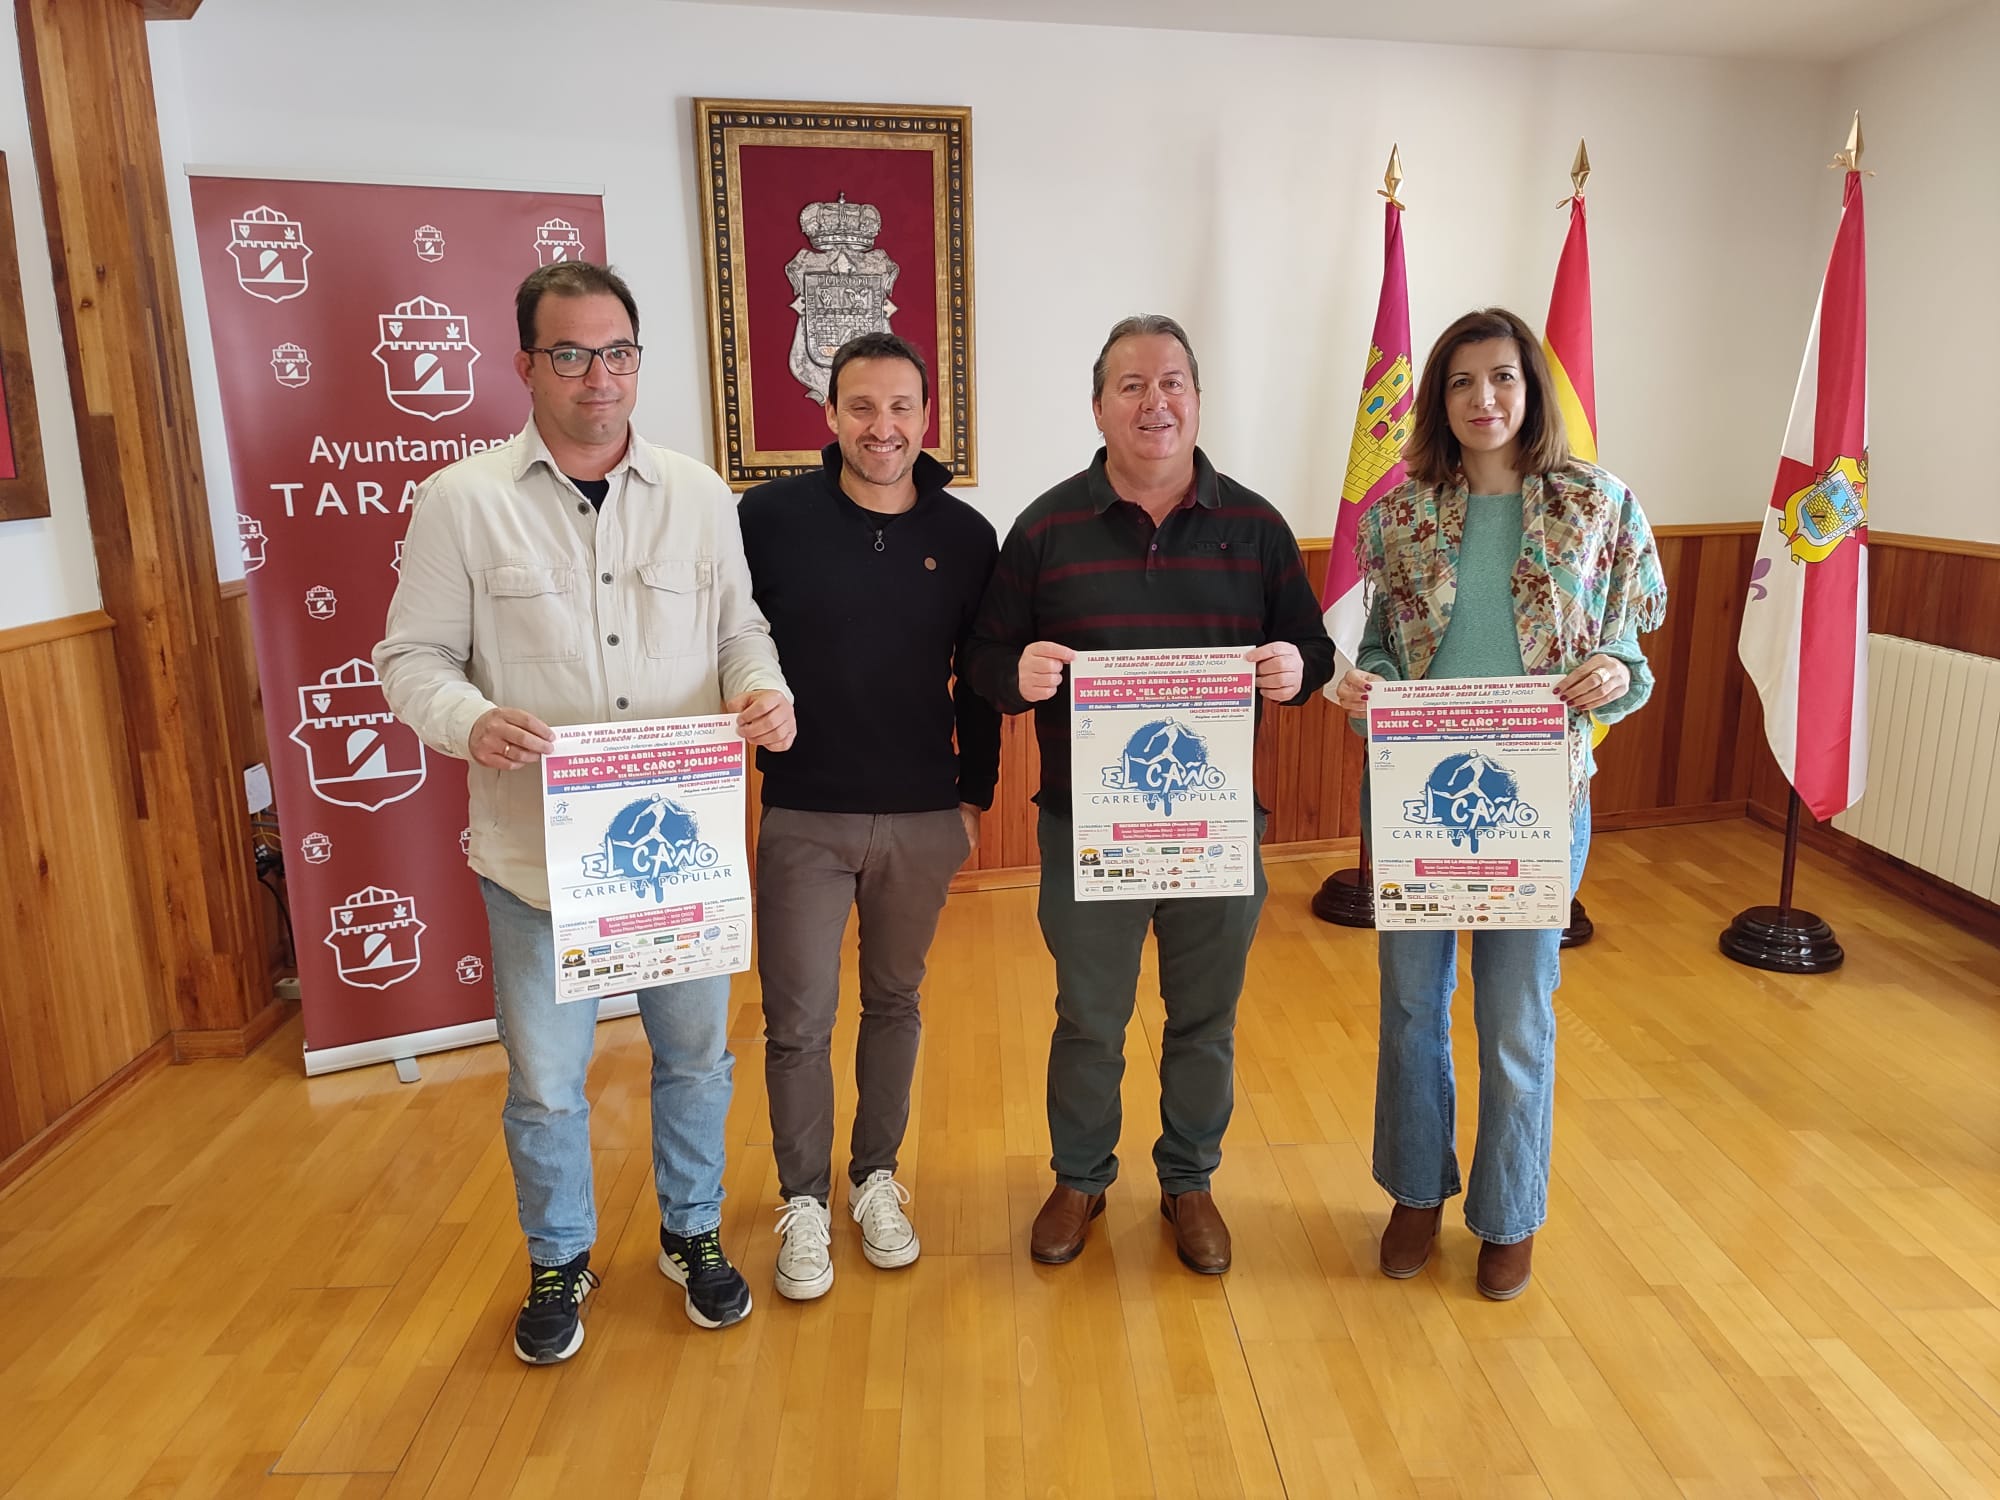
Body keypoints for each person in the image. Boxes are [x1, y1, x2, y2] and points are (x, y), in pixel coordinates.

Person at [375, 261, 795, 1361]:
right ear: (524, 364)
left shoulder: (700, 495)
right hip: (536, 861)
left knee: (698, 1061)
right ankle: (558, 1255)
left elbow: (738, 631)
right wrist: (469, 719)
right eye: (568, 354)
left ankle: (692, 1234)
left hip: (680, 852)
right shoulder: (460, 503)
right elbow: (410, 658)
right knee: (549, 1084)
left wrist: (763, 689)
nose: (596, 377)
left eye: (616, 353)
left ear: (637, 362)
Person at [965, 314, 1334, 1274]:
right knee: (1089, 1012)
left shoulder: (1255, 527)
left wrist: (1298, 664)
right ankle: (1081, 1177)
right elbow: (985, 658)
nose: (1154, 401)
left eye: (1172, 382)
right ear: (1098, 407)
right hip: (1086, 827)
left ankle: (1189, 1179)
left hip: (1215, 825)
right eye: (1131, 385)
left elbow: (1315, 648)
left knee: (1204, 1012)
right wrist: (1021, 675)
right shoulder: (1045, 528)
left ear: (1198, 402)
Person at [1331, 306, 1667, 1300]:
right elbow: (1382, 655)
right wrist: (1363, 690)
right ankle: (1413, 1193)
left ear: (1532, 390)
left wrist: (1611, 673)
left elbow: (1627, 655)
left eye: (1503, 378)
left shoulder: (1595, 507)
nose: (1484, 399)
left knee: (1516, 1013)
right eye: (1462, 382)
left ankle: (1509, 1211)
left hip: (1538, 797)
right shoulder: (1395, 517)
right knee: (1407, 1004)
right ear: (1437, 398)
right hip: (1416, 800)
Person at [738, 331, 1001, 1301]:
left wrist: (972, 793)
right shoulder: (765, 520)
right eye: (859, 407)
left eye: (899, 408)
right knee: (796, 1020)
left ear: (926, 417)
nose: (880, 427)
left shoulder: (966, 536)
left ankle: (873, 1178)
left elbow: (978, 680)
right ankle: (801, 1199)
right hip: (803, 810)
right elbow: (731, 640)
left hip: (923, 812)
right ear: (828, 414)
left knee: (894, 1003)